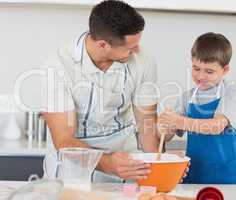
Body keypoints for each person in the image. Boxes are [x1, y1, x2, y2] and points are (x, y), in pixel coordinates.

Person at [42, 0, 160, 182]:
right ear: (103, 45)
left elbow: (147, 124)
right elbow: (64, 140)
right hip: (71, 171)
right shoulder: (57, 65)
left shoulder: (143, 60)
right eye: (130, 48)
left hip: (125, 167)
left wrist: (162, 169)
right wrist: (108, 164)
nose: (137, 50)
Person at [158, 32, 236, 184]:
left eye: (209, 71)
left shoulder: (230, 92)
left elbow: (216, 126)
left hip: (232, 174)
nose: (201, 76)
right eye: (196, 68)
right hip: (198, 173)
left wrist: (177, 121)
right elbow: (168, 135)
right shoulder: (187, 97)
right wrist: (164, 123)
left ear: (225, 70)